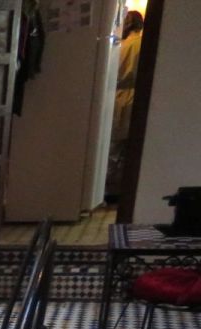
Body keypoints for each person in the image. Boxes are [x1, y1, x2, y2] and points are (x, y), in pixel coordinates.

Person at [107, 10, 144, 195]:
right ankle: (124, 190)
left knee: (113, 146)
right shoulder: (144, 44)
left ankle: (107, 188)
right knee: (132, 149)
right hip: (137, 96)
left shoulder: (120, 46)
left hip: (117, 95)